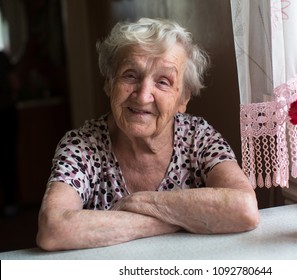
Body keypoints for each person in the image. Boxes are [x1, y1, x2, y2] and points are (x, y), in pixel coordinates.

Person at [36, 18, 259, 251]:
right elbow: (54, 228)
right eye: (130, 75)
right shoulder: (82, 145)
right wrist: (181, 219)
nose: (143, 96)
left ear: (183, 99)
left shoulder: (199, 137)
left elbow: (244, 209)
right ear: (109, 84)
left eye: (163, 82)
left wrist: (137, 202)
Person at [0, 51, 20, 217]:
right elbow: (15, 83)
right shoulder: (3, 58)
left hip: (6, 113)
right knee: (8, 160)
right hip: (5, 113)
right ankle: (11, 204)